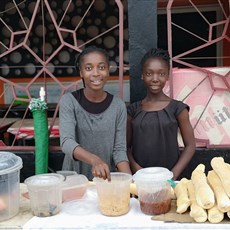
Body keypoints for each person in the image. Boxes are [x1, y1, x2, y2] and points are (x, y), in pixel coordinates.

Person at [59, 45, 131, 181]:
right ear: (81, 73)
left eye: (101, 67)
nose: (96, 73)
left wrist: (130, 182)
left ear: (108, 71)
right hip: (74, 181)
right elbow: (66, 142)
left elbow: (119, 150)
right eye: (88, 68)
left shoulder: (118, 106)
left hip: (105, 182)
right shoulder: (69, 101)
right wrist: (94, 160)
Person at [127, 48, 195, 180]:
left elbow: (190, 145)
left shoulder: (178, 108)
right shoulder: (132, 110)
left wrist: (173, 175)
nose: (155, 79)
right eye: (149, 73)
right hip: (141, 181)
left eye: (161, 74)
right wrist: (137, 170)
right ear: (142, 75)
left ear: (167, 76)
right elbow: (125, 148)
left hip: (170, 180)